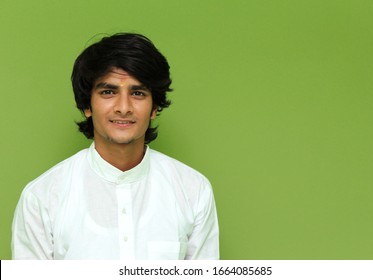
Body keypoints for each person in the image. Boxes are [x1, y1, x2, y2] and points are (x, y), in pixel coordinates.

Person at [11, 33, 219, 260]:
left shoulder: (193, 190)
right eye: (108, 92)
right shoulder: (42, 197)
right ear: (87, 105)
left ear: (154, 107)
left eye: (137, 93)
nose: (123, 107)